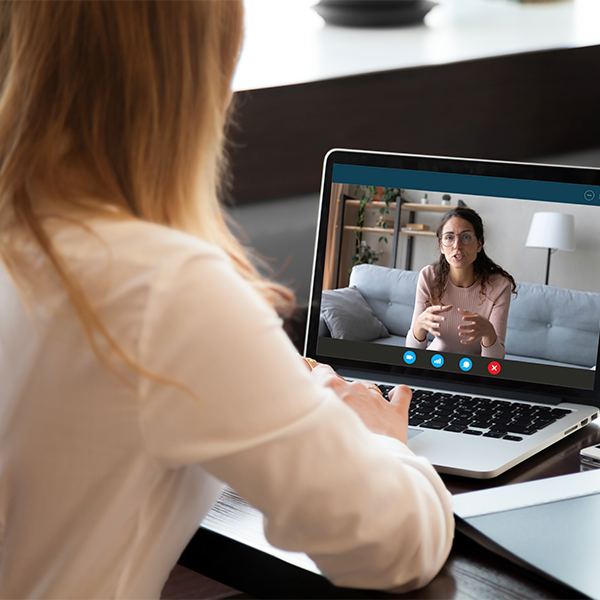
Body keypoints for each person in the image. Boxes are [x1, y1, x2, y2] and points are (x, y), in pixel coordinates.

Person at [0, 2, 453, 599]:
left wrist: (276, 394)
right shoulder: (163, 288)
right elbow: (390, 545)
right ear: (198, 74)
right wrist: (377, 440)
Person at [406, 206, 517, 359]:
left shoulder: (499, 285)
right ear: (442, 247)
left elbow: (495, 362)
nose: (457, 245)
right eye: (449, 237)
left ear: (479, 244)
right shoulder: (428, 276)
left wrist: (489, 333)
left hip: (474, 370)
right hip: (436, 362)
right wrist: (418, 326)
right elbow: (410, 354)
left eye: (466, 237)